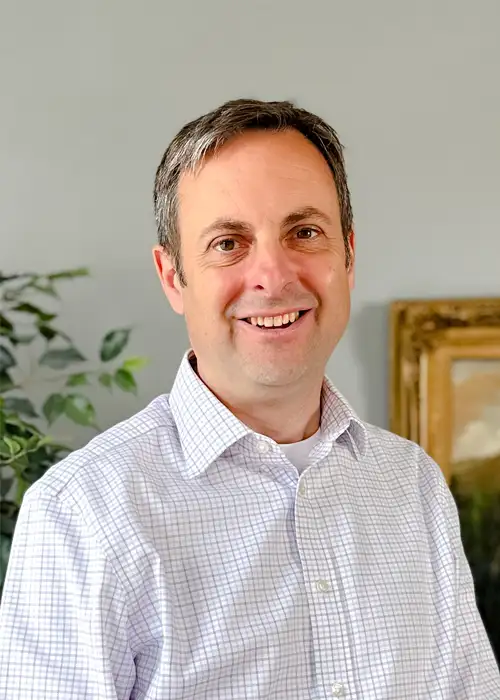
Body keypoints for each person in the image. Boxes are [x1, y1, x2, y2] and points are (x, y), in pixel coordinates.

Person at [0, 99, 498, 700]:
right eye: (228, 243)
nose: (274, 275)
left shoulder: (413, 486)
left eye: (304, 232)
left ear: (348, 256)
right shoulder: (81, 514)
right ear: (172, 277)